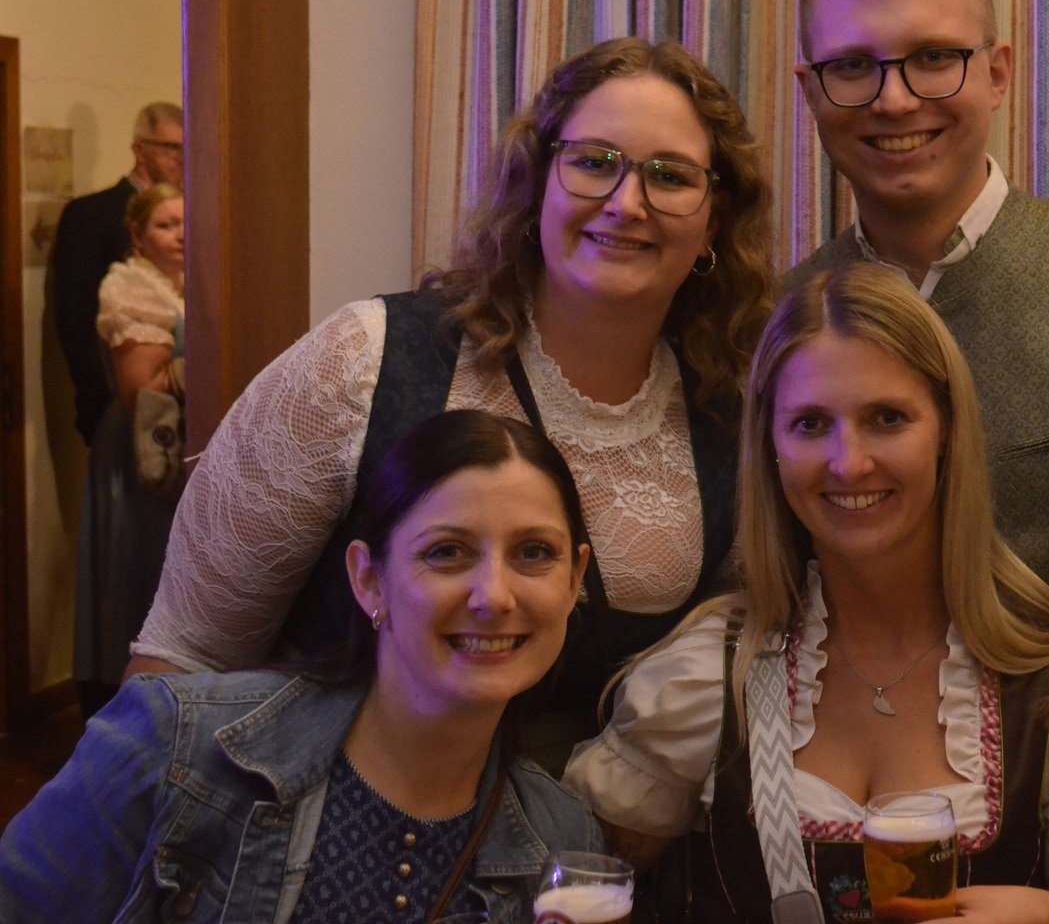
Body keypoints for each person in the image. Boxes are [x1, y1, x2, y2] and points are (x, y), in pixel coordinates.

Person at [127, 37, 777, 760]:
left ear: (713, 220)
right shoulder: (360, 364)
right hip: (314, 816)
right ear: (537, 182)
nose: (626, 204)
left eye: (671, 176)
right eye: (593, 163)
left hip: (584, 831)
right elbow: (182, 661)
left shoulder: (732, 419)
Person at [564, 264, 1049, 924]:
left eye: (886, 418)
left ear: (945, 431)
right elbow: (577, 882)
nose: (848, 462)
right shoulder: (708, 679)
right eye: (810, 424)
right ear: (770, 446)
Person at [2, 411, 604, 921]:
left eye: (534, 553)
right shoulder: (174, 744)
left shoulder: (563, 836)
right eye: (447, 551)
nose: (494, 596)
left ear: (574, 578)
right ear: (369, 580)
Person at [787, 0, 1049, 622]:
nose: (894, 100)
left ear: (995, 74)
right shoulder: (772, 324)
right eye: (852, 66)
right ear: (811, 92)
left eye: (933, 57)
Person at [74, 182, 187, 715]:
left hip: (175, 442)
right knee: (140, 566)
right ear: (138, 236)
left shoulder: (181, 284)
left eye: (186, 223)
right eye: (166, 224)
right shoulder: (130, 287)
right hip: (141, 448)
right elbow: (141, 387)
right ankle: (128, 710)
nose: (181, 234)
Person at [52, 101, 183, 446]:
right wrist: (101, 401)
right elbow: (76, 318)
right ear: (140, 150)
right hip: (116, 406)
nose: (182, 158)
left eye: (188, 148)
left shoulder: (192, 212)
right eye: (171, 147)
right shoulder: (90, 214)